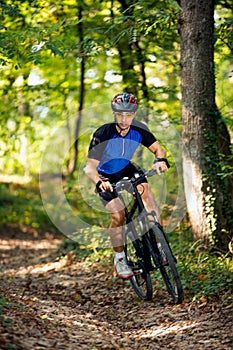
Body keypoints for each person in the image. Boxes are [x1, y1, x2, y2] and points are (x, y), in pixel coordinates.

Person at [85, 93, 169, 279]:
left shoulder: (139, 129)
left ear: (134, 114)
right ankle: (120, 259)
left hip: (127, 169)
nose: (124, 120)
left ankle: (160, 246)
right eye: (120, 115)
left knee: (148, 197)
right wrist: (101, 182)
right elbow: (89, 168)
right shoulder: (103, 133)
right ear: (114, 114)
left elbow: (158, 148)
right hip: (105, 175)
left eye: (128, 115)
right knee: (118, 215)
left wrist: (160, 160)